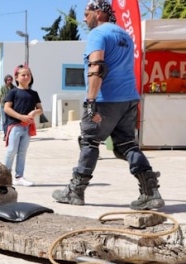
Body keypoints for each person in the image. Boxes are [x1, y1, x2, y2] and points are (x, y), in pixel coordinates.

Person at [52, 0, 164, 210]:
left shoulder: (98, 34)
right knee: (127, 145)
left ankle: (75, 191)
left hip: (106, 100)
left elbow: (97, 67)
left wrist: (91, 101)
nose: (84, 18)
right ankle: (151, 192)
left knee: (89, 142)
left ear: (100, 12)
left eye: (87, 13)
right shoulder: (125, 36)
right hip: (128, 99)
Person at [4, 65, 43, 187]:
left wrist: (34, 113)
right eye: (23, 75)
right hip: (15, 126)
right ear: (16, 77)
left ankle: (19, 176)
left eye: (28, 75)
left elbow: (40, 109)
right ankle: (4, 176)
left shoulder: (34, 93)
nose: (26, 77)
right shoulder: (12, 92)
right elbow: (6, 108)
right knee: (11, 150)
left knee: (22, 152)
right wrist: (21, 117)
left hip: (27, 128)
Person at [0, 74, 15, 139]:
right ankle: (5, 135)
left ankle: (10, 134)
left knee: (11, 121)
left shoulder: (14, 88)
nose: (9, 81)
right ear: (5, 81)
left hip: (12, 107)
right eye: (8, 80)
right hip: (3, 106)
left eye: (10, 80)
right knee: (5, 121)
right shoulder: (2, 88)